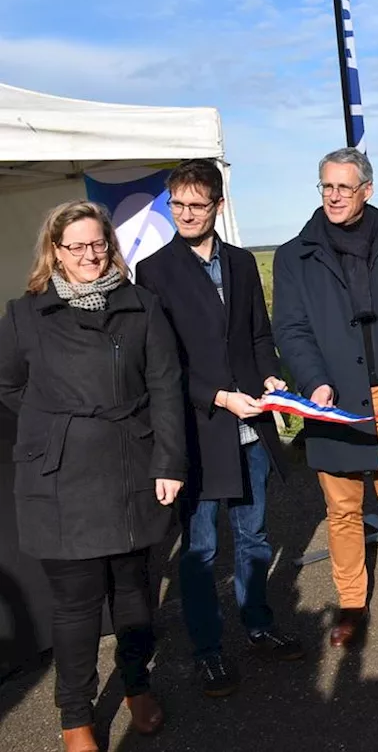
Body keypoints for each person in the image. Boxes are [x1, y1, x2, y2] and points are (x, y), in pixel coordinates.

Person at [0, 201, 185, 752]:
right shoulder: (24, 314)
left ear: (110, 245)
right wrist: (52, 427)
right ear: (54, 251)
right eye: (75, 246)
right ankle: (75, 714)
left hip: (130, 466)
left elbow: (166, 387)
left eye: (96, 244)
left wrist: (168, 461)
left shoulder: (142, 307)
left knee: (132, 592)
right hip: (59, 479)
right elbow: (8, 386)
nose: (88, 255)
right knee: (77, 606)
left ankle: (137, 686)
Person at [135, 159, 303, 698]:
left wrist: (270, 373)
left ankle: (258, 624)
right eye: (177, 205)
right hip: (202, 431)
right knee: (201, 549)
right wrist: (219, 397)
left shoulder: (241, 262)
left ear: (218, 207)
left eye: (196, 205)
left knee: (254, 535)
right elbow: (163, 366)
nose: (185, 214)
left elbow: (256, 335)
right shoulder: (155, 271)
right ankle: (208, 651)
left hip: (252, 427)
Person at [273, 148, 378, 648]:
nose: (334, 196)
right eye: (326, 186)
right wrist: (312, 380)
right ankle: (351, 604)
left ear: (367, 189)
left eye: (344, 187)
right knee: (341, 510)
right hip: (334, 396)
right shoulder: (294, 254)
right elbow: (292, 328)